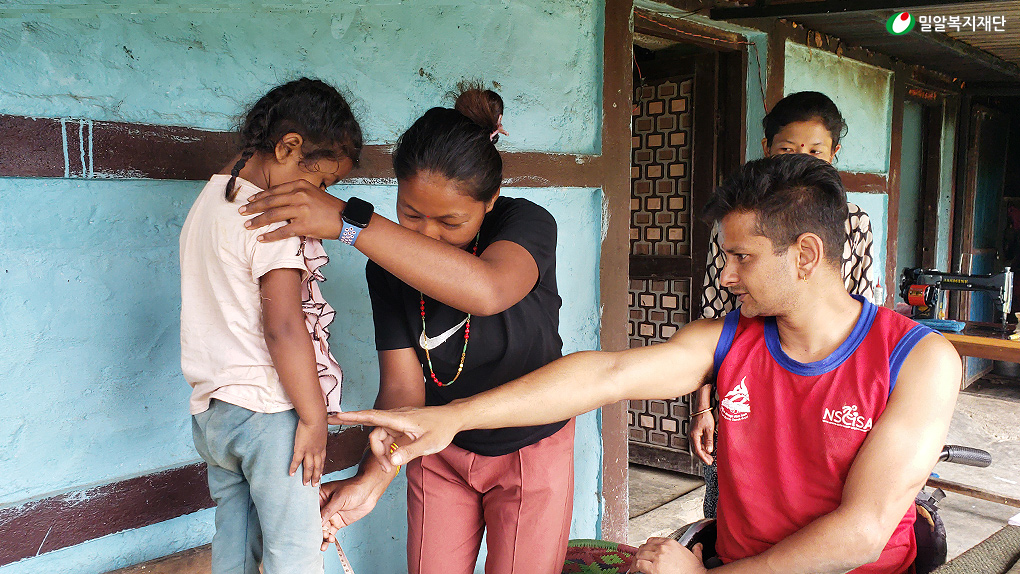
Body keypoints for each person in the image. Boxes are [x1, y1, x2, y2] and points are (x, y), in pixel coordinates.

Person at [334, 155, 961, 574]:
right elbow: (604, 375)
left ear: (805, 255)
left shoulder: (919, 361)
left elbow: (861, 532)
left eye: (741, 257)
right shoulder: (726, 340)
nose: (726, 276)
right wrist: (454, 417)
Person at [240, 84, 574, 574]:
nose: (427, 233)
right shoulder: (388, 265)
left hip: (531, 444)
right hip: (436, 444)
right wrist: (369, 481)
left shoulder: (525, 223)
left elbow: (488, 290)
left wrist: (349, 223)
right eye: (411, 214)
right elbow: (402, 389)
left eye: (450, 221)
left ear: (490, 201)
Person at [179, 77, 362, 574]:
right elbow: (283, 326)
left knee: (235, 544)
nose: (319, 200)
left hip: (214, 415)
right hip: (267, 414)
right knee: (294, 552)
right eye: (321, 184)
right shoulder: (271, 220)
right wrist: (314, 418)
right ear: (288, 147)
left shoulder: (209, 203)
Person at [691, 91, 876, 518]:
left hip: (823, 387)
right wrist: (704, 406)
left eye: (816, 151)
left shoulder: (853, 222)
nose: (803, 161)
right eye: (788, 150)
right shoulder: (737, 224)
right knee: (734, 504)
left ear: (834, 154)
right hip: (745, 383)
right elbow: (713, 314)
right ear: (767, 149)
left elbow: (860, 311)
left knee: (813, 501)